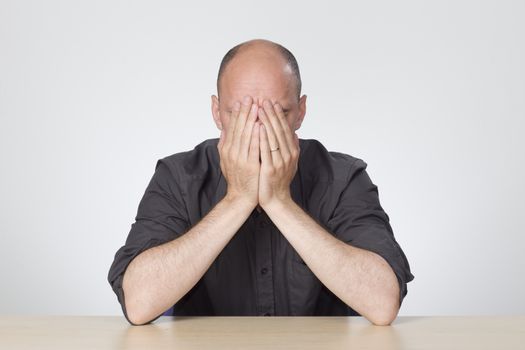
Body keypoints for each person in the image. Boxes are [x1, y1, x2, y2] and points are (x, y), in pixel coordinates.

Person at [107, 38, 414, 326]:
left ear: (300, 112)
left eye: (277, 113)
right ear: (217, 112)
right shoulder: (179, 177)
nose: (258, 130)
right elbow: (139, 303)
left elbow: (382, 304)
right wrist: (237, 199)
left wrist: (279, 201)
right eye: (239, 113)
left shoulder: (342, 178)